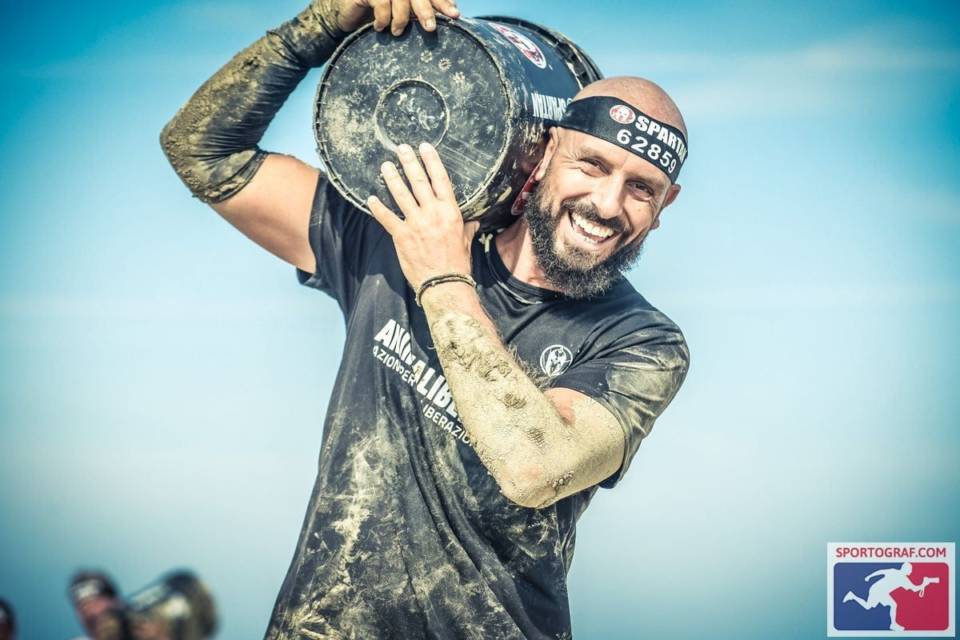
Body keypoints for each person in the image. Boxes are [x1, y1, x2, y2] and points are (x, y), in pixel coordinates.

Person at [160, 0, 690, 637]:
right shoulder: (394, 237)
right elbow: (200, 151)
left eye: (641, 188)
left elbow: (535, 466)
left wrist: (442, 280)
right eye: (592, 165)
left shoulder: (642, 342)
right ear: (544, 152)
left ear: (665, 206)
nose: (606, 203)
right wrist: (326, 22)